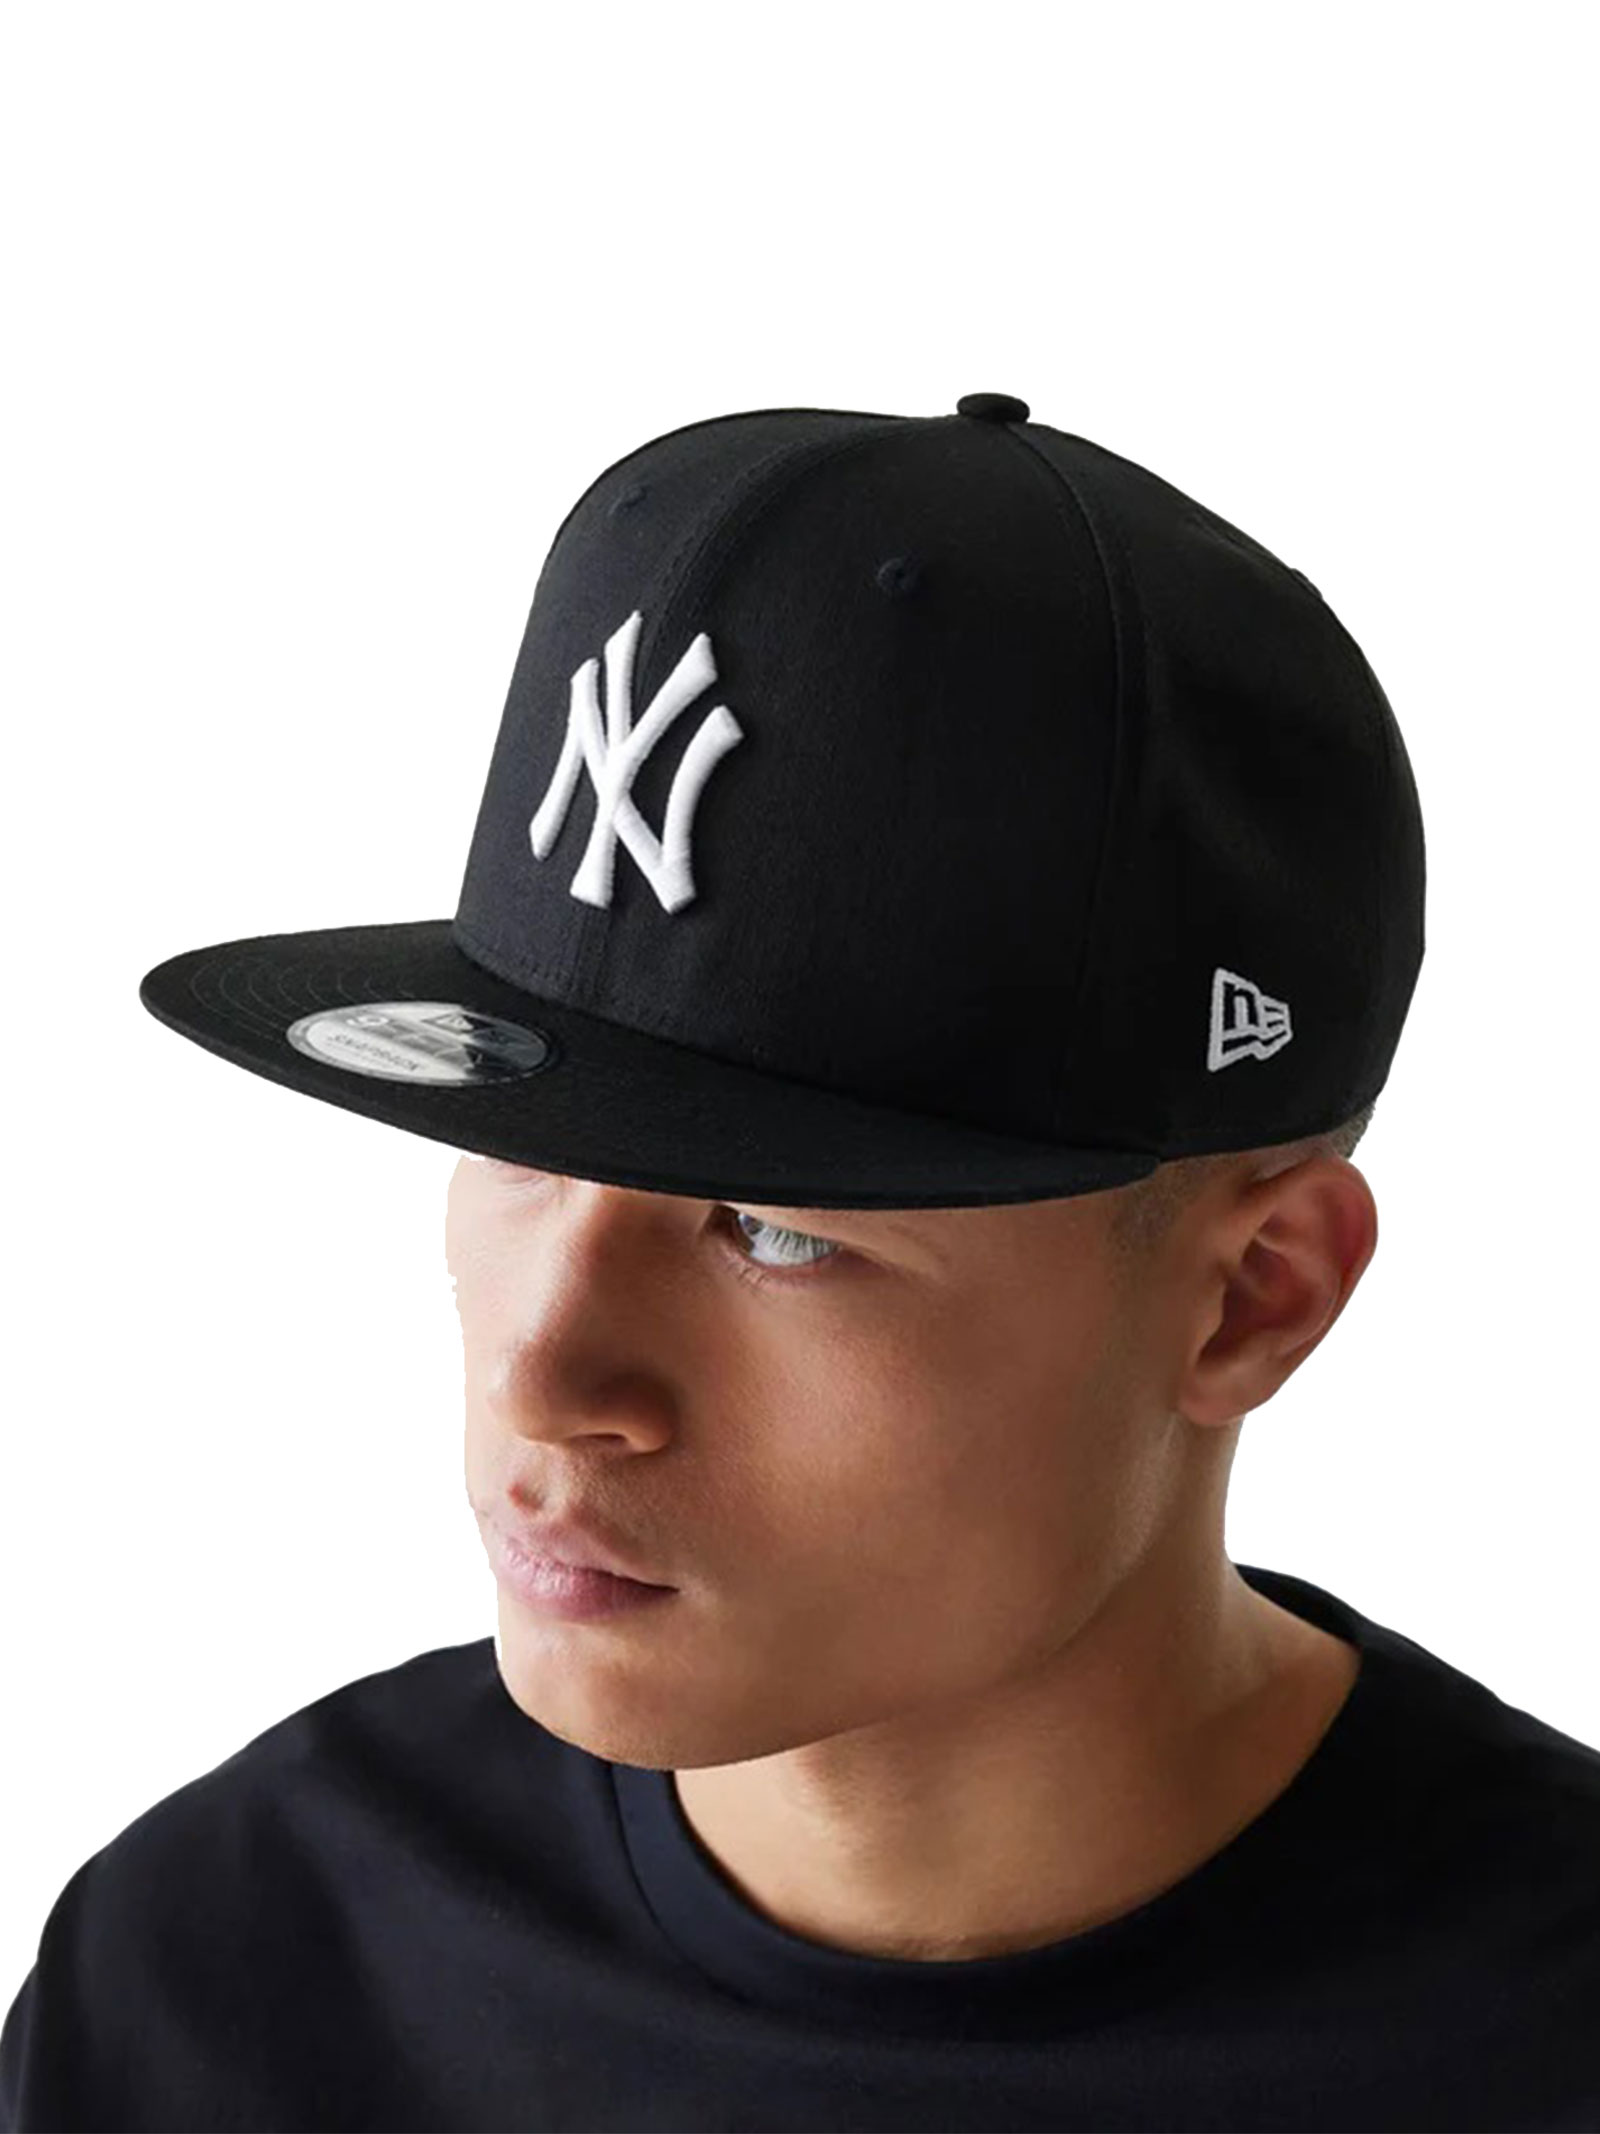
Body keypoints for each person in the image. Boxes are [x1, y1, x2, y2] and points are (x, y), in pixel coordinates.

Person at [4, 393, 1596, 2131]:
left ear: (1253, 1293)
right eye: (523, 1142)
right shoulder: (222, 1973)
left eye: (773, 1225)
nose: (545, 1371)